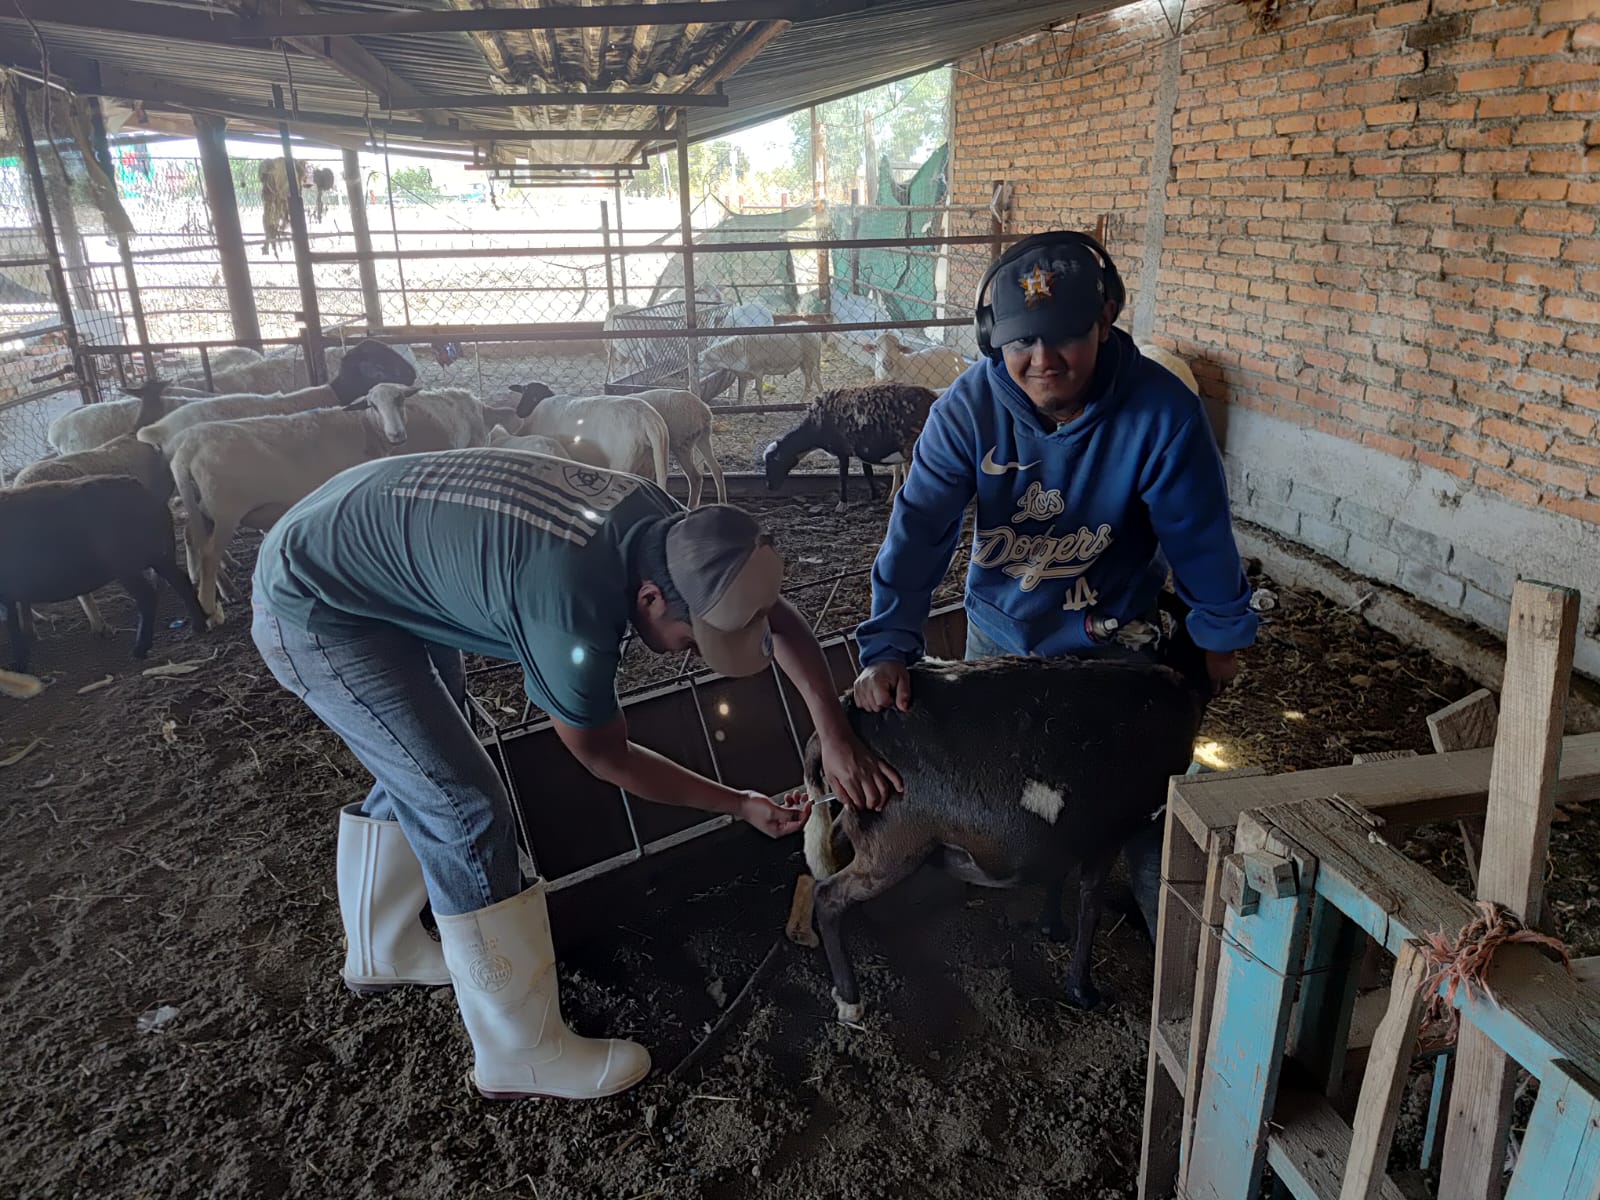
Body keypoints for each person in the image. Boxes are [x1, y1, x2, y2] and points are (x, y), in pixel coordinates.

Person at [250, 447, 900, 1102]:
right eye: (694, 638)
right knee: (465, 808)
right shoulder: (569, 612)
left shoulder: (677, 537)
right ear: (649, 599)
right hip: (319, 604)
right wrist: (736, 803)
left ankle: (381, 947)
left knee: (422, 757)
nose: (697, 654)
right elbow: (604, 756)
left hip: (372, 544)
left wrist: (835, 732)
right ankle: (517, 1052)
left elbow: (766, 610)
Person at [852, 230, 1258, 938]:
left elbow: (1201, 538)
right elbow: (919, 532)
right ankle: (1017, 907)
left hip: (1113, 645)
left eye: (1065, 336)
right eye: (1020, 343)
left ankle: (1166, 924)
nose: (1042, 361)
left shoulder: (1161, 414)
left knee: (1137, 795)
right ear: (990, 338)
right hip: (1001, 634)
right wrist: (888, 642)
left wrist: (1219, 634)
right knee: (1002, 790)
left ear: (1104, 319)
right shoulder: (966, 413)